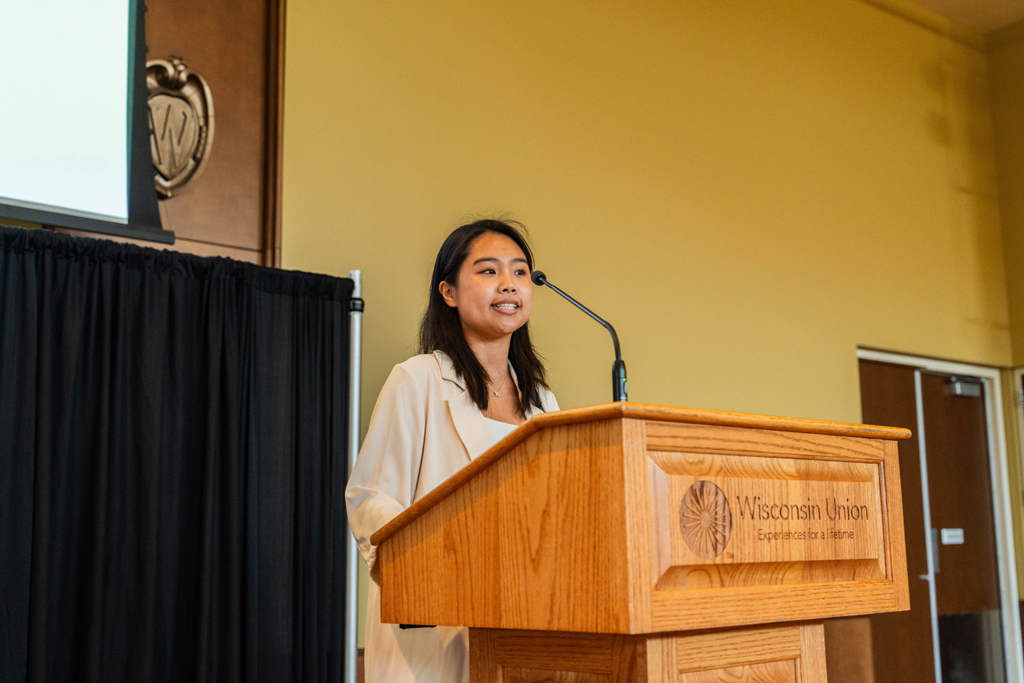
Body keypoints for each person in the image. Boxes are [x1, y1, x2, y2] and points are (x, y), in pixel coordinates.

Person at [346, 219, 559, 683]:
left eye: (521, 272)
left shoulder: (542, 400)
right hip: (435, 630)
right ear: (449, 292)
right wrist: (440, 561)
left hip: (519, 628)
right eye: (488, 271)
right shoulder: (418, 379)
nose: (509, 284)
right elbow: (369, 498)